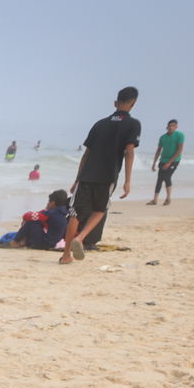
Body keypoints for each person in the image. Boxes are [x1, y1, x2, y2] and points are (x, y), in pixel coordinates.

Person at [60, 87, 141, 264]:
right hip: (108, 175)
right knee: (100, 209)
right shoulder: (133, 124)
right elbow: (129, 152)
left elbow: (86, 154)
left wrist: (77, 179)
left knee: (75, 213)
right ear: (133, 104)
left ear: (115, 103)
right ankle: (80, 238)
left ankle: (66, 255)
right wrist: (127, 180)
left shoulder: (100, 123)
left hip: (87, 175)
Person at [148, 119, 184, 205]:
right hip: (163, 160)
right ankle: (155, 200)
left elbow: (179, 150)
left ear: (176, 127)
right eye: (170, 126)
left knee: (167, 177)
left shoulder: (180, 135)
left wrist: (169, 163)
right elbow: (158, 150)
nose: (171, 127)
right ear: (167, 127)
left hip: (174, 160)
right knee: (159, 179)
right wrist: (154, 163)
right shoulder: (163, 137)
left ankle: (168, 198)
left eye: (173, 126)